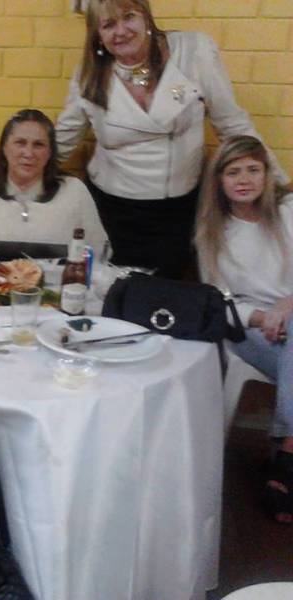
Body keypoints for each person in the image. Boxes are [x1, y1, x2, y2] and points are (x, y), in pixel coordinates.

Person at [55, 0, 291, 279]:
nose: (121, 31)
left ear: (146, 17)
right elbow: (65, 136)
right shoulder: (89, 73)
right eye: (108, 25)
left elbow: (232, 123)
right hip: (112, 210)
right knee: (114, 290)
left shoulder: (194, 51)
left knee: (167, 292)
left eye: (128, 17)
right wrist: (14, 173)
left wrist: (279, 184)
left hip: (178, 211)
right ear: (98, 35)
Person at [195, 135, 293, 524]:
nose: (244, 179)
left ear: (267, 174)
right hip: (250, 331)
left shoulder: (288, 211)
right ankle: (286, 456)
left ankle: (286, 452)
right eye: (233, 171)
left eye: (253, 169)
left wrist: (287, 306)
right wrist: (262, 318)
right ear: (219, 180)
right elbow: (219, 302)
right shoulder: (213, 233)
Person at [0, 109, 106, 255]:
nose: (28, 153)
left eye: (38, 145)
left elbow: (98, 255)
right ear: (4, 148)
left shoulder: (75, 193)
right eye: (20, 143)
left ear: (50, 152)